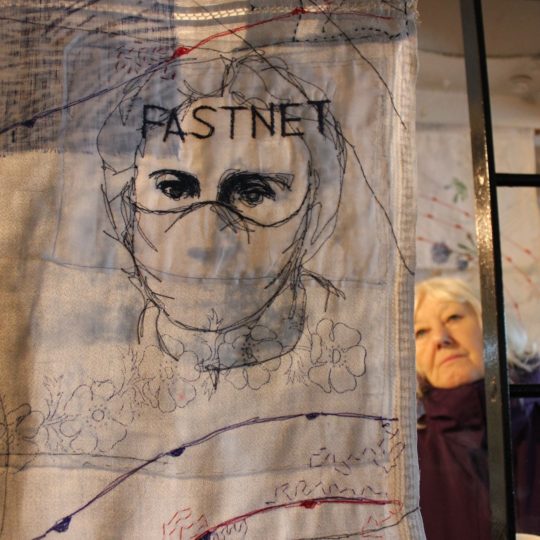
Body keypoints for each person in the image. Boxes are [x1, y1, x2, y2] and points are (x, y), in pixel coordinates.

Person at [97, 51, 346, 376]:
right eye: (173, 189)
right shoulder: (93, 346)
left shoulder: (356, 332)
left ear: (314, 220)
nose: (208, 243)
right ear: (124, 209)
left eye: (253, 194)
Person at [414, 277, 540, 539]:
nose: (441, 338)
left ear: (491, 321)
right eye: (421, 332)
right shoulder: (405, 457)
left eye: (453, 317)